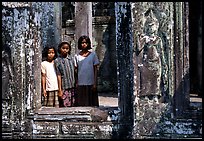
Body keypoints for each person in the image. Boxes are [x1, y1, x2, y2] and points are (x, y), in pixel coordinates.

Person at [137, 8, 168, 101]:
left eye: (152, 26)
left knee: (156, 78)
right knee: (145, 79)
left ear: (156, 27)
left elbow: (161, 51)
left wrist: (164, 62)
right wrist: (142, 39)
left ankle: (155, 95)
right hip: (146, 61)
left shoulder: (158, 39)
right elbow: (139, 49)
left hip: (156, 61)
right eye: (149, 26)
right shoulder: (144, 38)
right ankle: (145, 95)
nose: (150, 28)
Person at [74, 35, 100, 106]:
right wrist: (76, 82)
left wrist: (95, 83)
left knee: (91, 103)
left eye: (86, 42)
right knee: (82, 103)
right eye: (82, 43)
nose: (84, 44)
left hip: (90, 82)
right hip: (81, 82)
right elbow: (75, 70)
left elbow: (95, 69)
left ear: (88, 44)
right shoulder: (77, 56)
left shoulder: (93, 55)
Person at [54, 42, 76, 107]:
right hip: (64, 86)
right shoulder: (57, 61)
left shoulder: (71, 59)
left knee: (73, 104)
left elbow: (75, 72)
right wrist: (60, 89)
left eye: (67, 48)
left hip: (72, 86)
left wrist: (76, 82)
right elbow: (58, 75)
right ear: (60, 49)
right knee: (65, 105)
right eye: (63, 48)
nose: (65, 50)